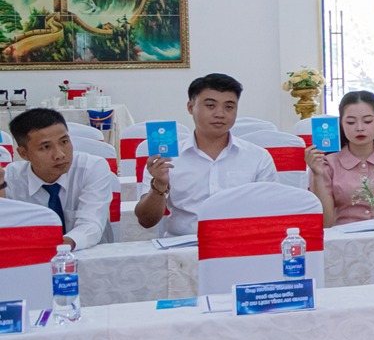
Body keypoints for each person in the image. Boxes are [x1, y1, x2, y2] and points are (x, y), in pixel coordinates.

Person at [135, 73, 278, 236]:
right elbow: (146, 221)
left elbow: (271, 211)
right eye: (210, 106)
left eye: (229, 107)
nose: (220, 114)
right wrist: (159, 186)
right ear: (190, 107)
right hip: (182, 245)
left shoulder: (258, 157)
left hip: (239, 243)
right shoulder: (166, 158)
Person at [5, 107, 115, 250]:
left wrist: (56, 248)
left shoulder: (92, 167)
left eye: (64, 142)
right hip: (33, 258)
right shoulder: (10, 179)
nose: (60, 154)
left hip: (90, 255)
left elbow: (91, 224)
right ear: (24, 154)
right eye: (46, 147)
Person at [306, 90, 374, 226]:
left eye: (367, 121)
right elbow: (325, 224)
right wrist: (318, 176)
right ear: (341, 123)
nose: (359, 128)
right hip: (343, 237)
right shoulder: (325, 164)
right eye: (351, 122)